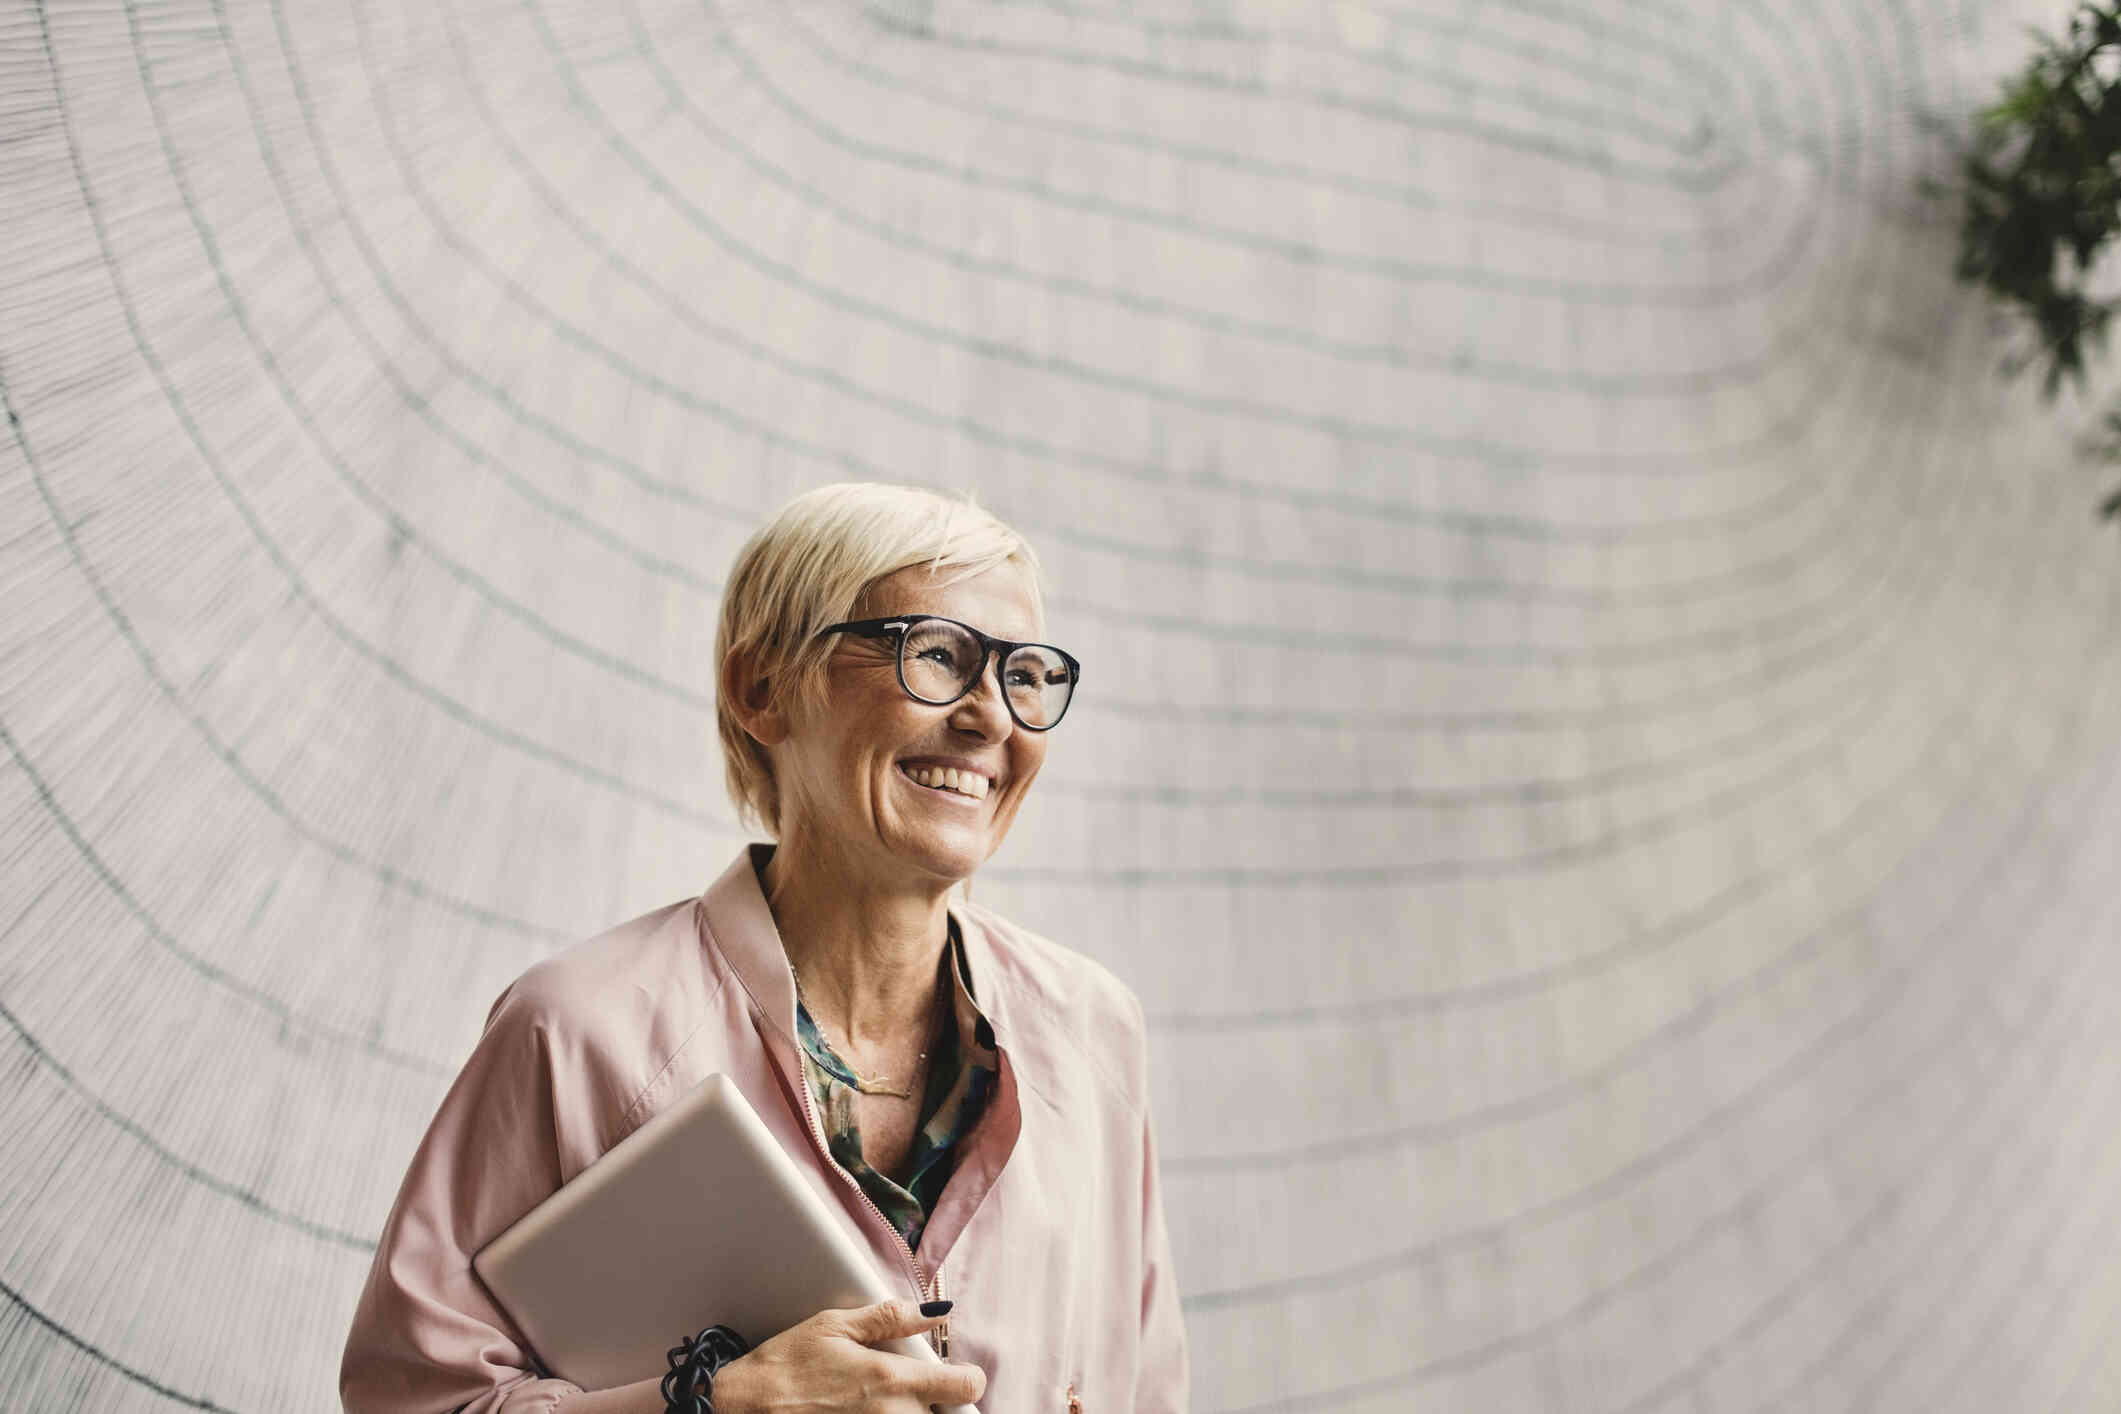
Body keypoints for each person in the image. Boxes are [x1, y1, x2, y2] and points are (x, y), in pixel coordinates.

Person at [340, 483, 1189, 1413]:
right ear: (763, 690)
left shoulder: (1093, 1030)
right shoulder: (578, 1032)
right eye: (936, 655)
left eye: (1023, 673)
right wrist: (710, 1406)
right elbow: (408, 1401)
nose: (991, 716)